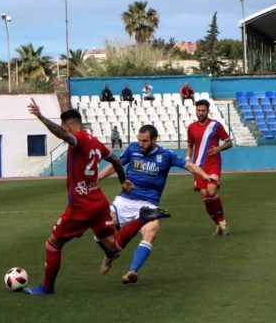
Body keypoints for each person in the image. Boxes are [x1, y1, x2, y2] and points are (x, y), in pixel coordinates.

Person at [21, 98, 131, 295]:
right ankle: (129, 232)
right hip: (98, 201)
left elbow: (65, 136)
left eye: (65, 126)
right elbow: (114, 158)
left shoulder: (78, 138)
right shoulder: (95, 141)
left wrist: (40, 116)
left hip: (81, 207)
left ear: (68, 124)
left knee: (53, 244)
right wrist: (122, 180)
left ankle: (47, 288)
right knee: (112, 245)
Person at [97, 125, 213, 283]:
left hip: (148, 204)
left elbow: (188, 165)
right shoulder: (132, 149)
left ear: (154, 140)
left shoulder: (165, 155)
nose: (141, 143)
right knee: (100, 226)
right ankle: (109, 256)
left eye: (144, 141)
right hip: (124, 201)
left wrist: (205, 175)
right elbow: (114, 165)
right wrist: (96, 179)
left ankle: (132, 271)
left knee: (151, 231)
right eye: (139, 140)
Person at [187, 99, 233, 235]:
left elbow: (229, 142)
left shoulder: (215, 125)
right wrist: (187, 159)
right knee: (205, 196)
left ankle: (223, 222)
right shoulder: (191, 127)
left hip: (213, 164)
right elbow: (190, 145)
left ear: (208, 111)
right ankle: (218, 224)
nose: (200, 113)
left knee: (212, 191)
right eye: (198, 110)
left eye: (203, 110)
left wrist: (219, 148)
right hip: (198, 167)